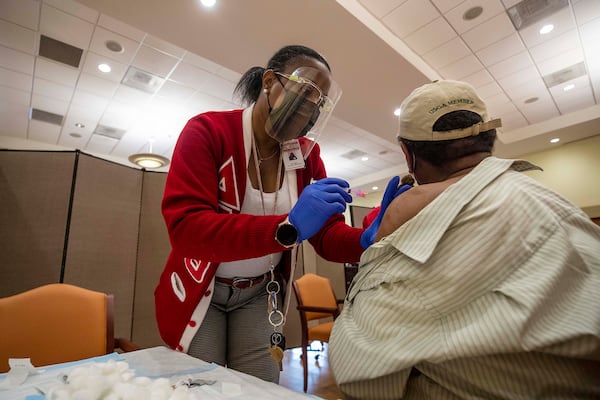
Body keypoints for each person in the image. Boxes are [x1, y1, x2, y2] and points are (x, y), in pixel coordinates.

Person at [329, 80, 600, 399]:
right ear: (491, 138)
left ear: (407, 154)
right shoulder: (558, 207)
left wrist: (383, 242)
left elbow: (353, 366)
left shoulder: (409, 228)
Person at [154, 45, 404, 383]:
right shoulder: (208, 132)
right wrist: (285, 228)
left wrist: (364, 239)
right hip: (203, 291)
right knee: (202, 386)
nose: (310, 109)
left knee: (260, 384)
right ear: (270, 81)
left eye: (320, 103)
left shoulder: (305, 157)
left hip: (260, 293)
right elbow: (187, 230)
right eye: (306, 92)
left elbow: (325, 234)